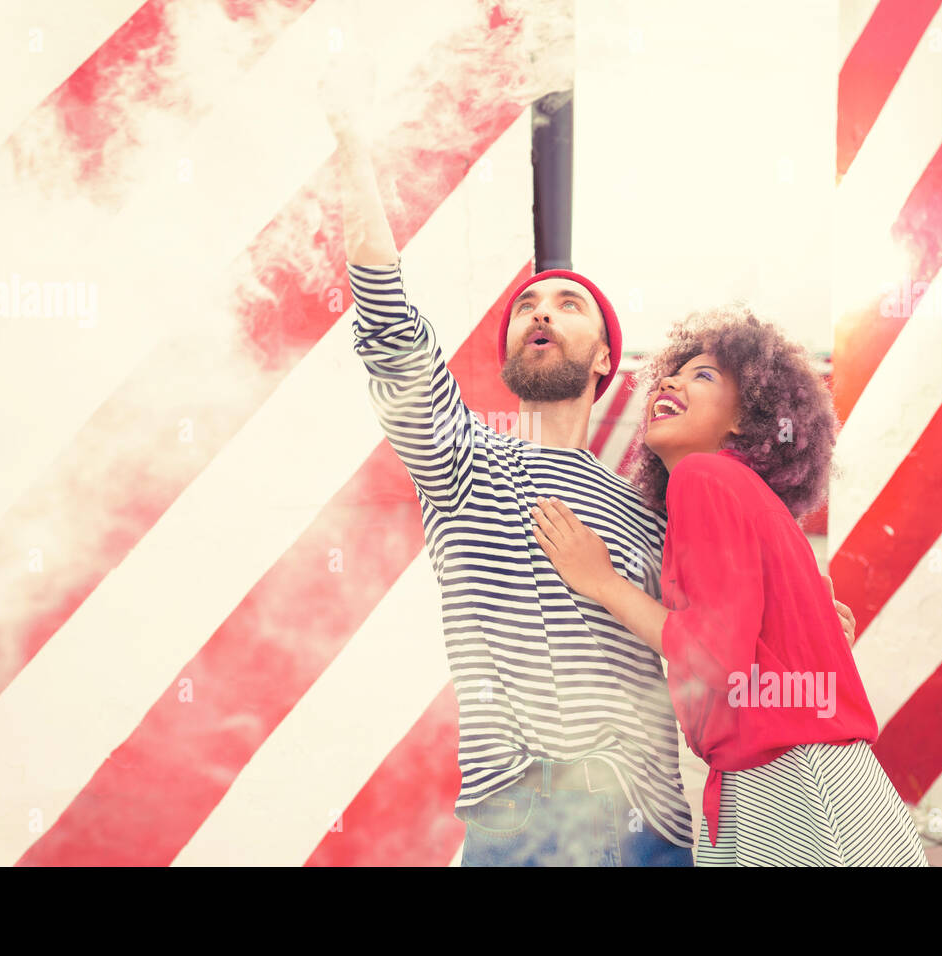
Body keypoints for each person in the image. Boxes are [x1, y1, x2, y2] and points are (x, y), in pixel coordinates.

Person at [327, 102, 858, 865]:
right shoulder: (461, 456)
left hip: (663, 829)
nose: (540, 312)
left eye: (567, 304)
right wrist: (353, 141)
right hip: (532, 819)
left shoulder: (654, 511)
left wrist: (802, 631)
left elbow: (710, 648)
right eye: (526, 308)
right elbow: (388, 326)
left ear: (607, 359)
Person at [532, 304, 929, 866]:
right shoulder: (753, 504)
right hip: (796, 782)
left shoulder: (704, 476)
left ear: (746, 418)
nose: (669, 380)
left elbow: (713, 658)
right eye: (671, 373)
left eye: (704, 374)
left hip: (793, 788)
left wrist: (601, 581)